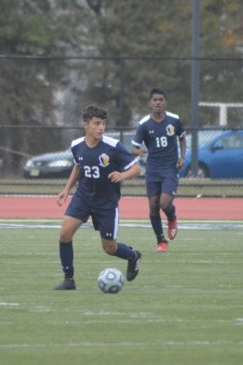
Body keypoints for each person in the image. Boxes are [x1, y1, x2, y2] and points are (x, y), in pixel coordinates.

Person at [54, 105, 142, 291]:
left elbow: (136, 169)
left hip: (106, 201)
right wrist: (66, 189)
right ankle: (69, 280)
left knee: (109, 248)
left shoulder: (113, 146)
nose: (101, 128)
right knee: (65, 234)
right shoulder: (76, 145)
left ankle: (133, 256)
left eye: (102, 124)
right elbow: (78, 166)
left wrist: (122, 175)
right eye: (96, 124)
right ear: (85, 125)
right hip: (83, 196)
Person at [132, 88, 186, 253]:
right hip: (152, 169)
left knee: (165, 203)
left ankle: (172, 217)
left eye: (161, 100)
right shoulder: (144, 124)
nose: (158, 103)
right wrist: (139, 151)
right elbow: (133, 148)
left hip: (170, 168)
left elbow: (182, 138)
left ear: (165, 103)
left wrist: (182, 157)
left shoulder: (174, 120)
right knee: (153, 206)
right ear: (150, 103)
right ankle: (161, 241)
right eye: (155, 100)